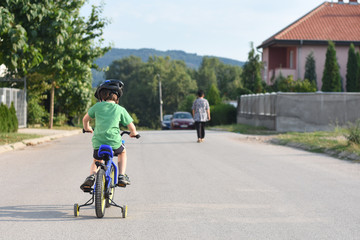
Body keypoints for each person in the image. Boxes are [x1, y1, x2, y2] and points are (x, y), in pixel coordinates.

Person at [80, 79, 138, 191]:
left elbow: (85, 119)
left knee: (97, 160)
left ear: (101, 96)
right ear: (117, 97)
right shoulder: (120, 109)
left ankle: (92, 176)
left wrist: (87, 128)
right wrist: (133, 133)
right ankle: (121, 176)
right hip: (114, 143)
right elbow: (131, 126)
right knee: (122, 152)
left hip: (98, 143)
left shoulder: (97, 107)